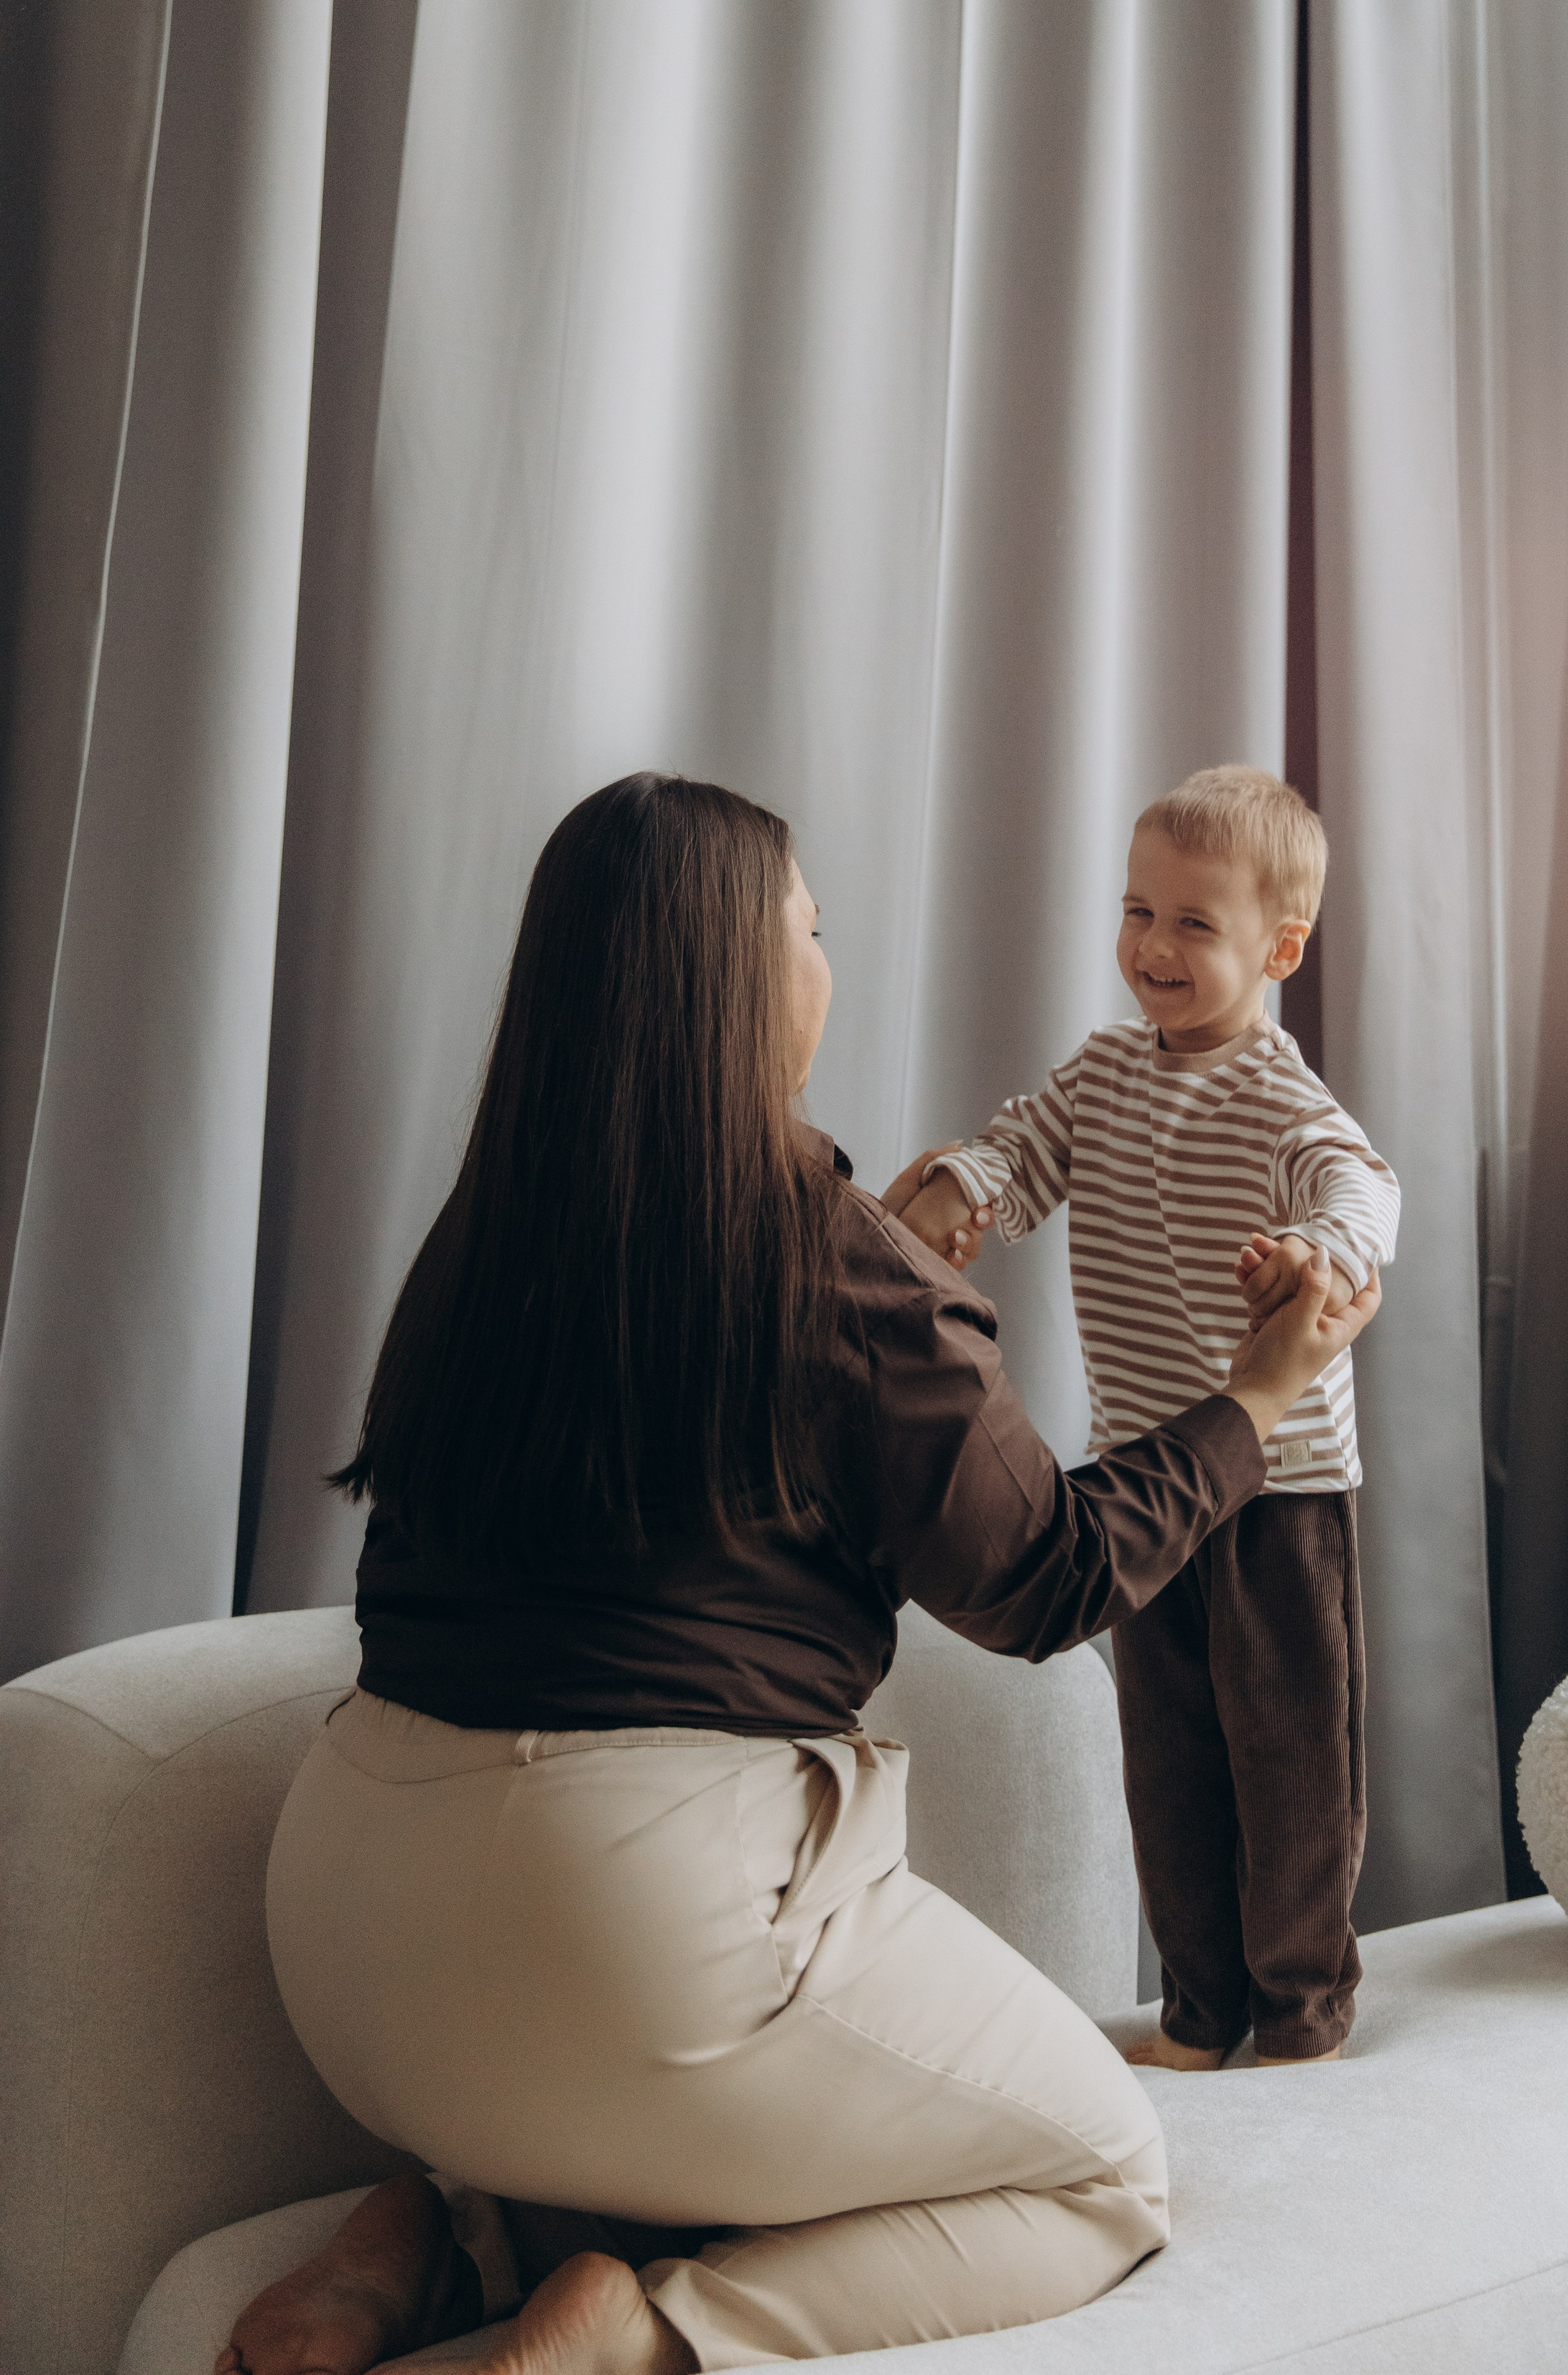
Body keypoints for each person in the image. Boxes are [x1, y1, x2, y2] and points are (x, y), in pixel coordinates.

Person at [221, 772, 1380, 2375]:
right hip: (623, 1930)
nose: (825, 962)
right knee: (1102, 2171)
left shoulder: (481, 1239)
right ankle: (646, 2325)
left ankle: (440, 2228)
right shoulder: (833, 1263)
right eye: (810, 931)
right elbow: (1043, 1579)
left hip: (350, 1944)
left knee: (615, 2087)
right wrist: (1250, 1403)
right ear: (734, 981)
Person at [896, 767, 1398, 2070]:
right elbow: (1023, 1150)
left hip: (1281, 1487)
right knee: (1169, 1754)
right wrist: (965, 1184)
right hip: (1148, 1480)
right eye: (1137, 910)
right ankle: (1200, 2007)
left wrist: (1316, 1256)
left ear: (1280, 949)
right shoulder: (1106, 1071)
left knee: (1290, 1759)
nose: (1152, 948)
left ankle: (1299, 2011)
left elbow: (1361, 1185)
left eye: (1194, 924)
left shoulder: (1282, 1102)